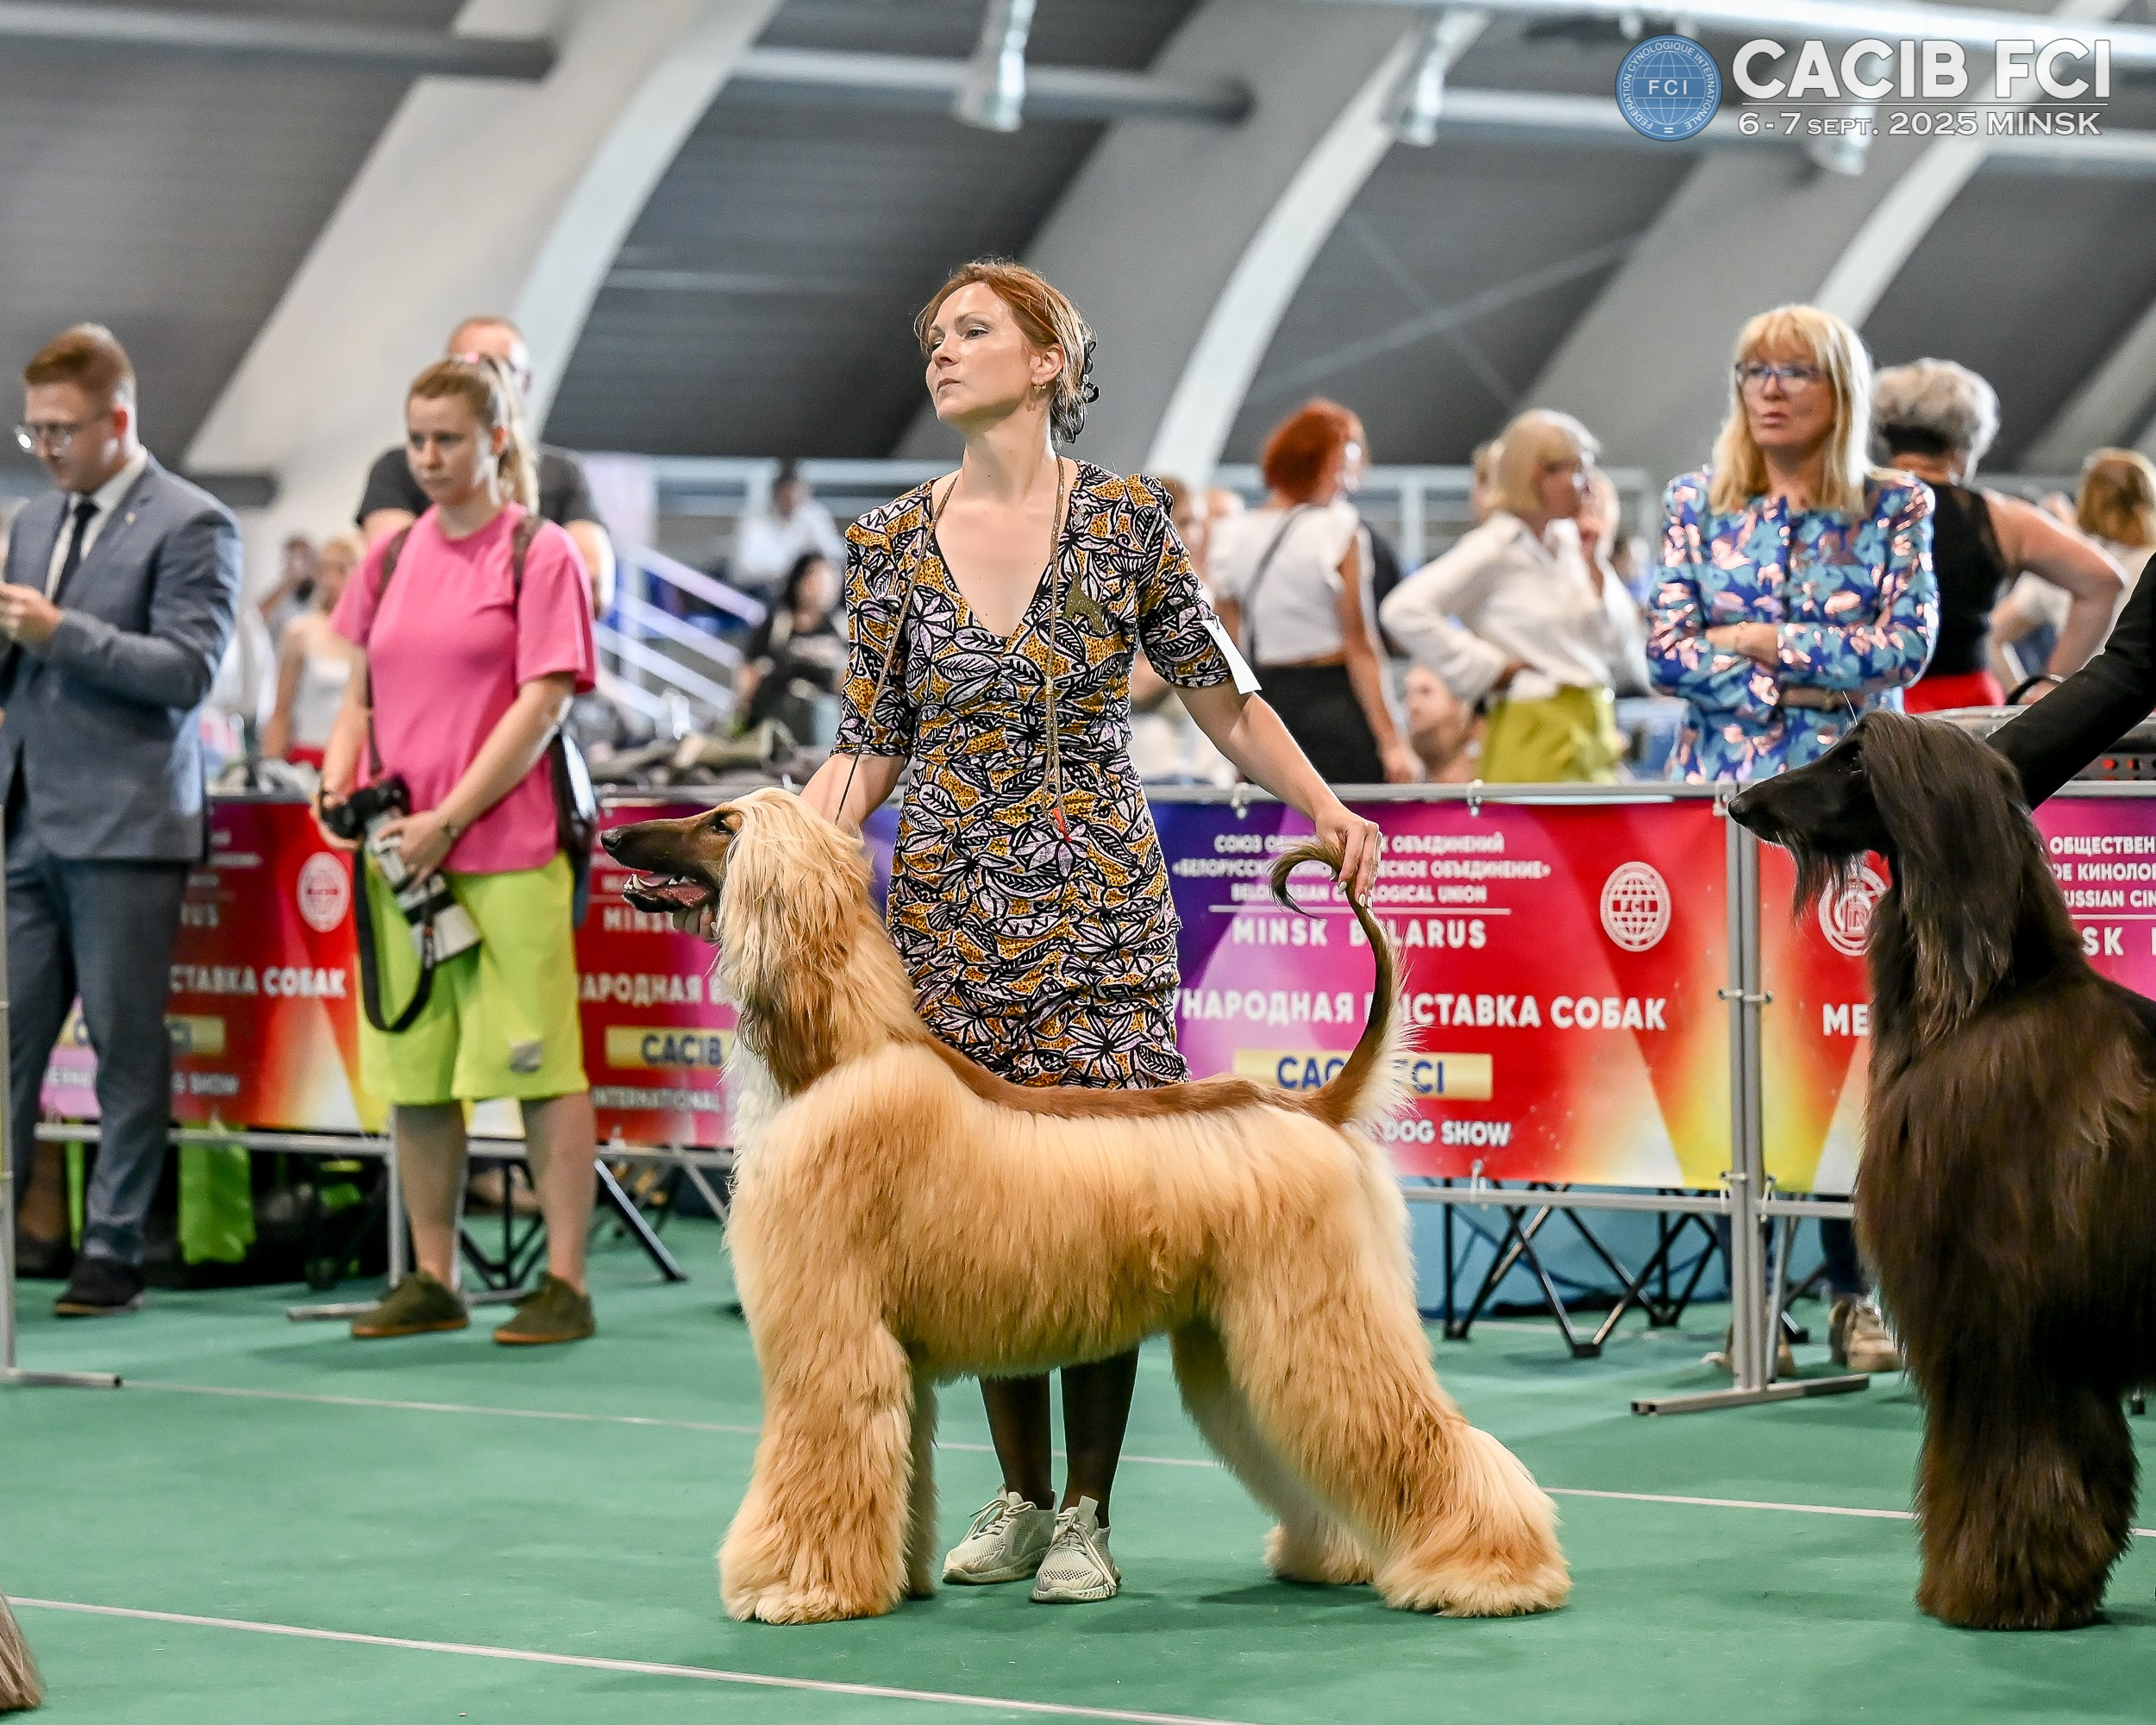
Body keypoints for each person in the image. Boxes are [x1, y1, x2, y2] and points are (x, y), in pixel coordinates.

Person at [770, 259, 1380, 1603]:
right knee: (989, 1217)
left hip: (1100, 905)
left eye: (973, 331)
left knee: (1111, 1215)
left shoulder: (1127, 523)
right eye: (933, 335)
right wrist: (802, 831)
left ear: (1048, 360)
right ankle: (1019, 1495)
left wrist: (1326, 806)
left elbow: (1221, 698)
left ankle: (1092, 1512)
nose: (942, 352)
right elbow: (871, 742)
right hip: (944, 910)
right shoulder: (882, 544)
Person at [1649, 304, 1940, 1373]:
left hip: (1853, 816)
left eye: (1795, 371)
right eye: (1752, 370)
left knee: (1845, 1047)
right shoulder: (1694, 502)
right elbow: (1667, 652)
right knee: (1734, 1053)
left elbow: (1904, 642)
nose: (1769, 388)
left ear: (1839, 389)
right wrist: (1815, 663)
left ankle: (1853, 1293)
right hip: (1718, 818)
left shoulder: (1896, 506)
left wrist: (1762, 638)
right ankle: (1747, 1299)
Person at [319, 353, 600, 1348]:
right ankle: (432, 1274)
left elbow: (543, 702)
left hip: (510, 849)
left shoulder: (540, 551)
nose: (429, 457)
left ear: (495, 441)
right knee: (418, 1070)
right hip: (400, 857)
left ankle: (564, 1279)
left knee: (539, 1065)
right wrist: (336, 779)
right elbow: (361, 687)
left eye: (448, 439)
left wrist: (450, 818)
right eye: (417, 439)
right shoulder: (389, 560)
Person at [0, 324, 241, 1314]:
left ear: (118, 421)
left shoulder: (195, 523)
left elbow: (185, 671)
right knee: (10, 1044)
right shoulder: (30, 520)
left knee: (124, 1044)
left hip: (129, 828)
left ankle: (114, 1246)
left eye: (61, 429)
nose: (46, 447)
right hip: (27, 823)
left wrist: (61, 632)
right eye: (33, 431)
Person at [1382, 411, 1641, 782]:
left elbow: (1619, 642)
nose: (1589, 487)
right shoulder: (1494, 547)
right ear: (1539, 473)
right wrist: (1489, 668)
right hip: (1531, 733)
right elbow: (1402, 610)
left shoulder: (1573, 543)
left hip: (1592, 728)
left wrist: (1595, 559)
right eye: (1578, 470)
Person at [1871, 360, 2121, 712]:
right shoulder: (2001, 518)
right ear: (1966, 442)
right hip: (1966, 711)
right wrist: (2051, 686)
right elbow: (2103, 580)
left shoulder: (1850, 509)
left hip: (1872, 707)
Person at [1207, 400, 1417, 785]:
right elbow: (1361, 646)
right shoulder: (1340, 530)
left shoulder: (1230, 537)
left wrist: (1238, 743)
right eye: (1343, 472)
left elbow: (1229, 651)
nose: (1349, 486)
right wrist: (1393, 742)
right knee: (1347, 834)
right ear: (1320, 467)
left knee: (1269, 839)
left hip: (1267, 699)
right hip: (1335, 701)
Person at [357, 315, 616, 616]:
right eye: (469, 364)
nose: (485, 379)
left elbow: (593, 584)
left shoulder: (561, 475)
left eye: (501, 367)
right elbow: (393, 576)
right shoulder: (399, 469)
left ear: (526, 381)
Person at [1993, 448, 2156, 688]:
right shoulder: (2146, 562)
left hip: (2082, 711)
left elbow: (1992, 635)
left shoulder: (2062, 570)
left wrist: (2023, 700)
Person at [262, 531, 359, 764]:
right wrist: (270, 767)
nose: (330, 580)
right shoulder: (301, 631)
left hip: (355, 759)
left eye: (340, 570)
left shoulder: (369, 636)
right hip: (309, 759)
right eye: (324, 570)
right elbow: (281, 710)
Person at [732, 549, 845, 734]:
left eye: (832, 581)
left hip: (827, 718)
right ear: (799, 581)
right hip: (775, 715)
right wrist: (744, 705)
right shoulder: (777, 622)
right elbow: (749, 666)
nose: (825, 588)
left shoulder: (843, 627)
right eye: (818, 580)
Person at [730, 459, 845, 599]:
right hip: (763, 592)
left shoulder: (815, 515)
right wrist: (788, 574)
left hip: (805, 591)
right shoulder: (752, 518)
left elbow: (834, 555)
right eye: (786, 493)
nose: (791, 499)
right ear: (775, 493)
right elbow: (743, 569)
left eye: (797, 493)